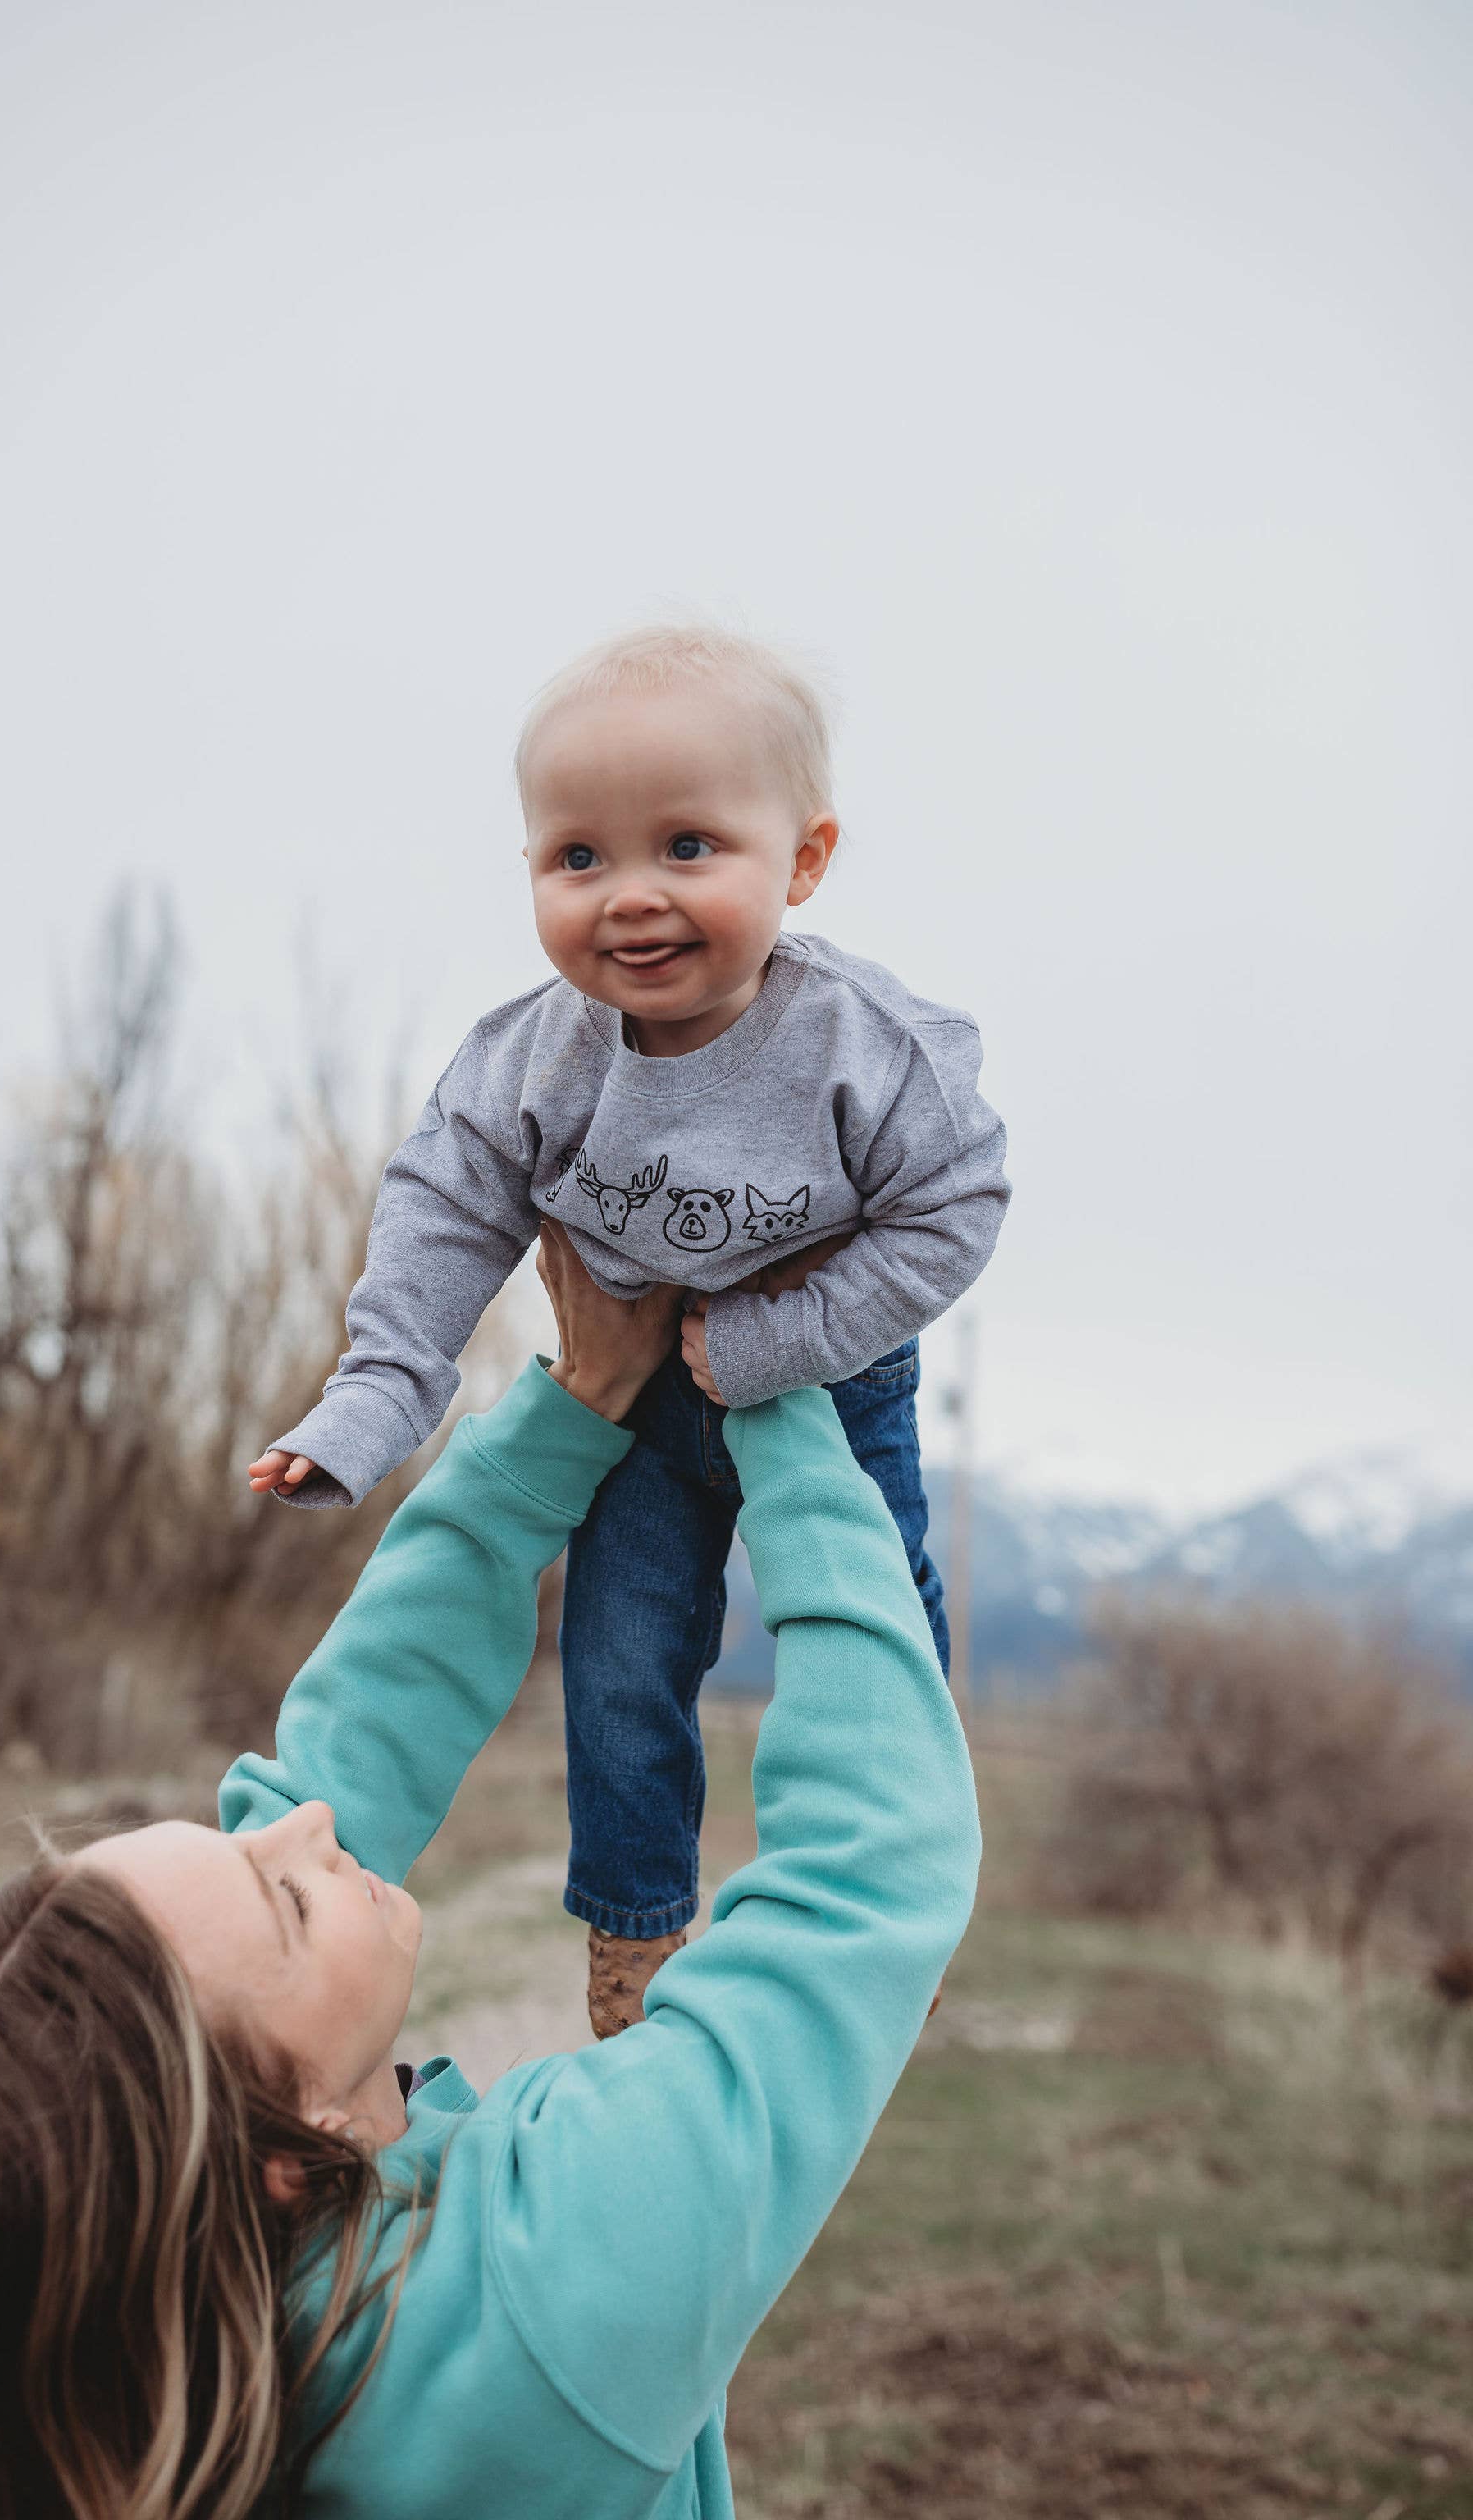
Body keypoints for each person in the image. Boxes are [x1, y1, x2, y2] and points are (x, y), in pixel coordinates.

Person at [0, 1226, 980, 2520]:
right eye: (287, 1899)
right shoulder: (533, 2316)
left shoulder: (110, 2345)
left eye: (237, 1838)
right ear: (293, 2150)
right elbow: (865, 1875)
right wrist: (776, 1391)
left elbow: (340, 1759)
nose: (307, 1827)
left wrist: (576, 1403)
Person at [251, 621, 1009, 2030]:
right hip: (646, 1403)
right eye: (579, 857)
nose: (631, 897)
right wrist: (372, 1399)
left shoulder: (863, 1047)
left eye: (689, 847)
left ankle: (901, 1889)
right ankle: (637, 1934)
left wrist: (782, 1342)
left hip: (832, 1382)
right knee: (619, 1665)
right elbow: (442, 1218)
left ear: (804, 861)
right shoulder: (530, 1060)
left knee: (875, 1630)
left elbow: (955, 1207)